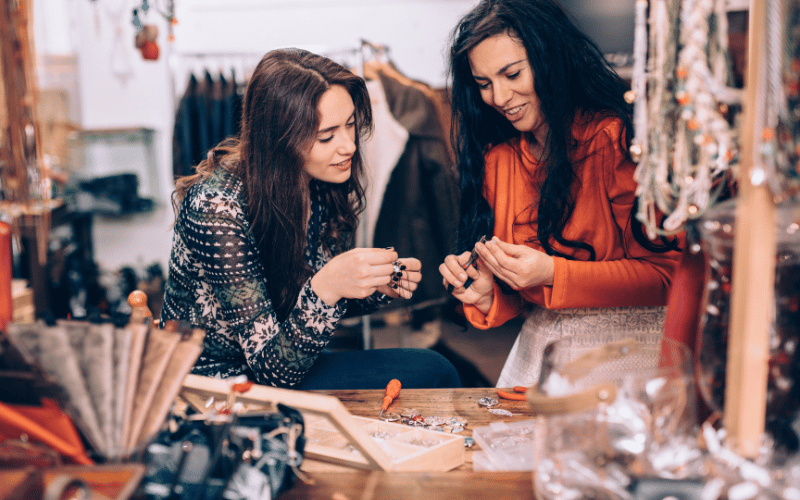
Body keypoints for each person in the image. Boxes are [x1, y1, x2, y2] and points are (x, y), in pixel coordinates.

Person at [161, 48, 460, 390]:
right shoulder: (216, 208)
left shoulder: (314, 182)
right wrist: (330, 284)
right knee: (431, 371)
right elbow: (274, 371)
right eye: (327, 136)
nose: (348, 146)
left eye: (350, 126)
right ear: (280, 139)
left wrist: (372, 287)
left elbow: (307, 308)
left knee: (434, 369)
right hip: (213, 381)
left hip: (282, 361)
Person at [440, 0, 683, 388]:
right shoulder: (498, 162)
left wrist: (553, 272)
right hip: (544, 348)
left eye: (512, 74)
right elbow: (524, 300)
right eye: (484, 84)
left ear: (550, 61)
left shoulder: (615, 141)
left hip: (633, 353)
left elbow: (667, 275)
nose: (499, 97)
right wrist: (487, 293)